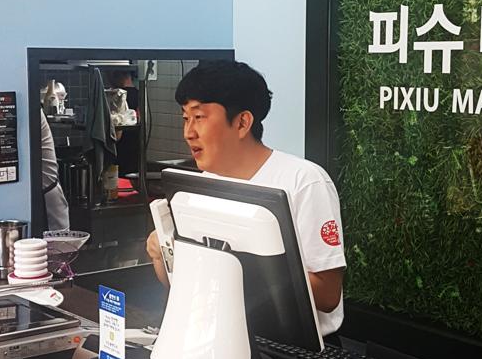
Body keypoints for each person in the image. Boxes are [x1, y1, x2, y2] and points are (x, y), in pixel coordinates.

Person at [146, 60, 346, 336]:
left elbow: (328, 294)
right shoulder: (198, 188)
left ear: (242, 122)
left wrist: (239, 270)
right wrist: (162, 255)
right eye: (185, 118)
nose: (188, 132)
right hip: (219, 341)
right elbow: (182, 285)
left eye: (199, 117)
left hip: (294, 350)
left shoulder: (304, 181)